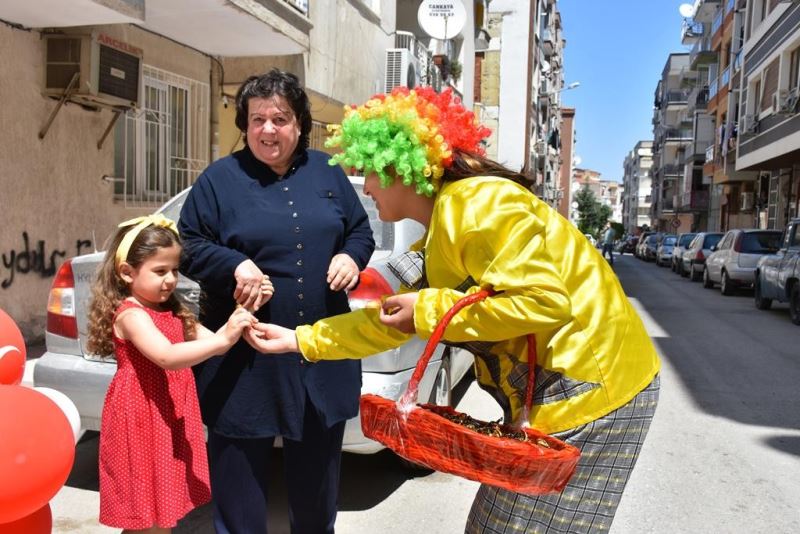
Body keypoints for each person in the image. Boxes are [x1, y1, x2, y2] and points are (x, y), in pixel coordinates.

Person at [244, 86, 661, 534]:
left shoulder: (477, 204)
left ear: (402, 168)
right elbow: (389, 320)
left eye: (368, 172)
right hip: (568, 389)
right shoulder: (446, 224)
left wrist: (426, 306)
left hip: (597, 389)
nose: (364, 186)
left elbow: (542, 301)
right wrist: (301, 340)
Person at [177, 69, 375, 533]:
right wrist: (233, 264)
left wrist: (351, 255)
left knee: (317, 493)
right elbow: (187, 244)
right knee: (240, 495)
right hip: (244, 359)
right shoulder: (218, 180)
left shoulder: (328, 171)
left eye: (280, 119)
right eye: (257, 119)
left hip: (317, 350)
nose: (268, 129)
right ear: (245, 125)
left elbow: (360, 230)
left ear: (300, 124)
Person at [86, 214, 259, 533]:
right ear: (127, 272)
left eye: (175, 270)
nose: (170, 280)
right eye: (160, 271)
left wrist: (242, 318)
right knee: (143, 511)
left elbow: (216, 340)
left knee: (161, 508)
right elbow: (165, 356)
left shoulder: (172, 310)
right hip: (140, 417)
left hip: (167, 416)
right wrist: (224, 339)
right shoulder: (131, 314)